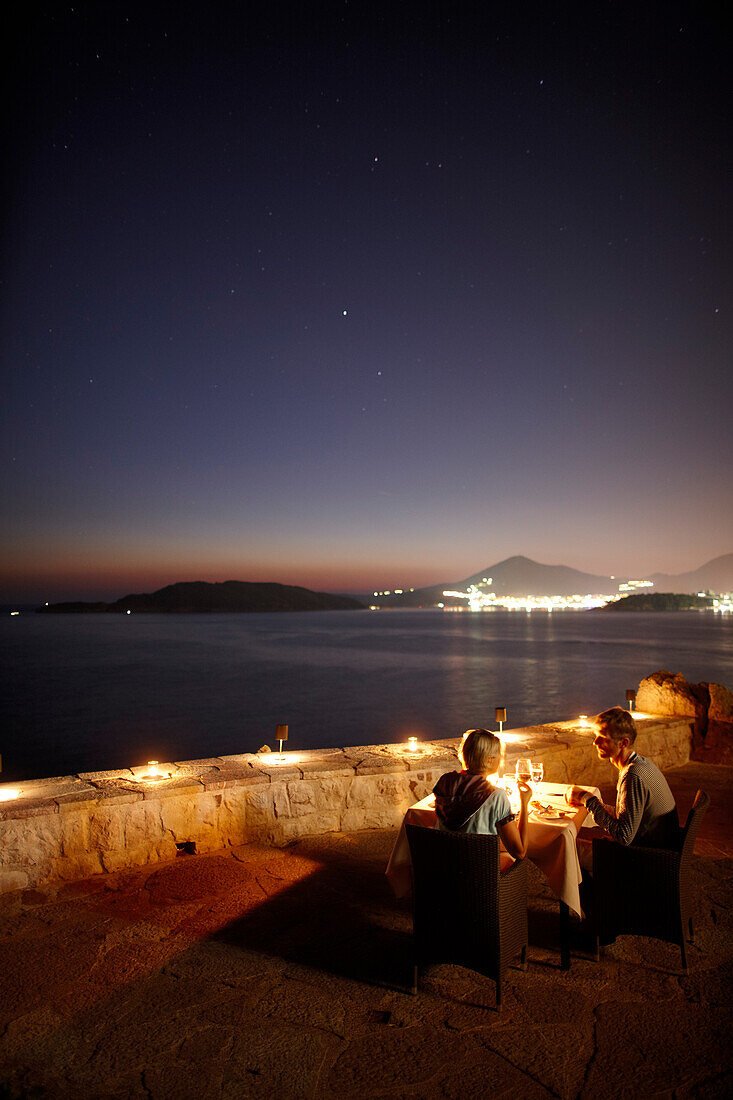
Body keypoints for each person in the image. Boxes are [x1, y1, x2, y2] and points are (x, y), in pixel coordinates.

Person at [567, 706, 680, 849]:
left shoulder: (633, 775)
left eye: (602, 737)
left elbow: (624, 836)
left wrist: (587, 798)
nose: (595, 742)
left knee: (572, 848)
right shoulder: (641, 763)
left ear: (623, 743)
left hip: (651, 856)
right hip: (659, 843)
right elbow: (631, 814)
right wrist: (594, 804)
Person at [433, 728, 532, 860]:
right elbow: (519, 852)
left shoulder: (446, 783)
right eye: (499, 755)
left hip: (445, 868)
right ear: (490, 760)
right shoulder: (496, 796)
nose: (501, 758)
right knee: (509, 857)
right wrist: (524, 803)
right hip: (481, 873)